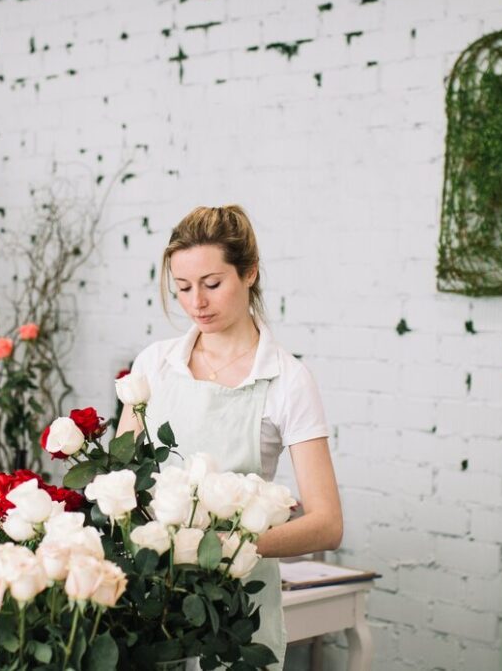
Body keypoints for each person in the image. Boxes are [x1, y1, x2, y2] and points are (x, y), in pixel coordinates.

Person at [115, 205, 343, 668]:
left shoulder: (287, 380)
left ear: (250, 273)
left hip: (239, 613)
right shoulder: (155, 365)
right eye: (182, 288)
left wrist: (225, 549)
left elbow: (328, 523)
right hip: (152, 602)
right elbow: (122, 483)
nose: (196, 302)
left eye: (212, 284)